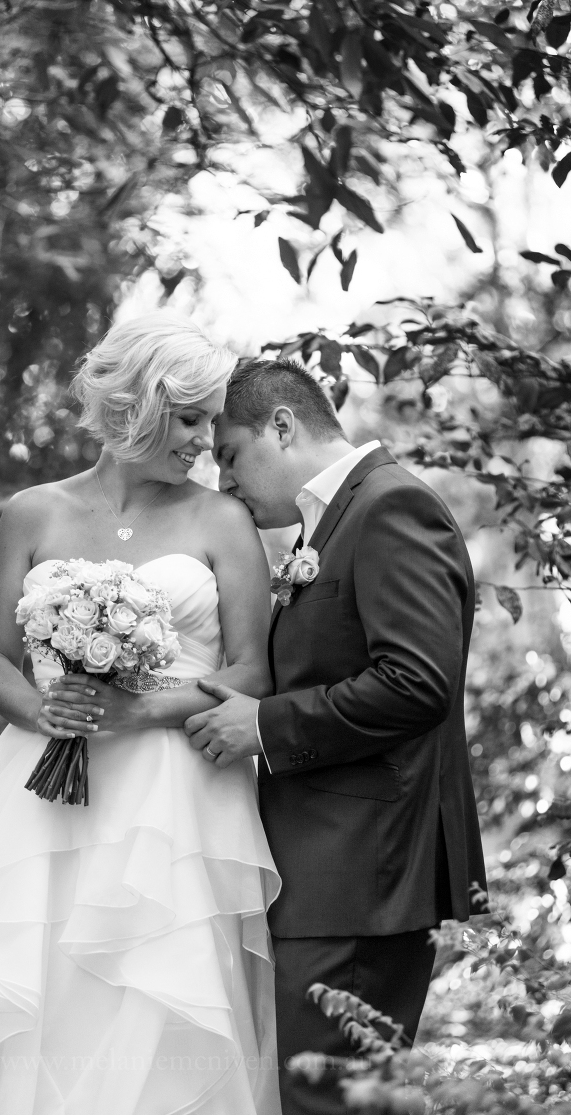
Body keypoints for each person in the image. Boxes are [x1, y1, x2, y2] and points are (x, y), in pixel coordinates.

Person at [0, 314, 282, 1115]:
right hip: (38, 788)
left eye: (210, 423)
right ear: (136, 406)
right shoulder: (32, 512)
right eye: (189, 419)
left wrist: (140, 709)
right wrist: (44, 711)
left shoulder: (223, 520)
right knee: (23, 975)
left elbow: (252, 669)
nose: (204, 442)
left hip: (174, 802)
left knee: (153, 983)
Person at [182, 358, 488, 1115]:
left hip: (360, 874)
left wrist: (264, 724)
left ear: (282, 426)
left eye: (229, 455)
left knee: (325, 1102)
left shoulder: (391, 507)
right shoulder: (333, 520)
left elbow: (416, 683)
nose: (224, 481)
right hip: (326, 871)